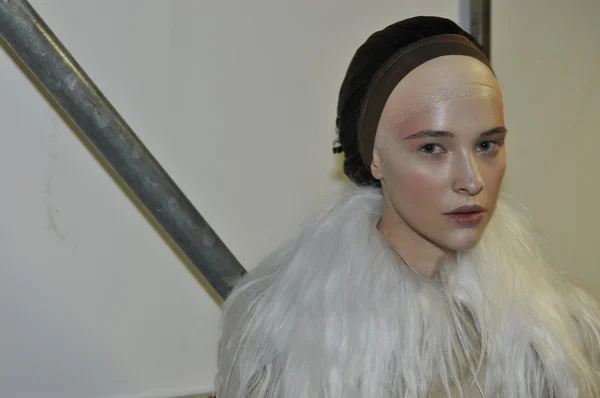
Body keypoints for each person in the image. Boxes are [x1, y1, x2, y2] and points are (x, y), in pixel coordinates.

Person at [215, 16, 600, 397]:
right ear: (374, 158)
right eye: (432, 148)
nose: (472, 179)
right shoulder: (282, 333)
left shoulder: (553, 334)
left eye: (487, 145)